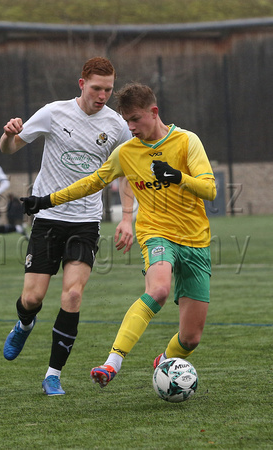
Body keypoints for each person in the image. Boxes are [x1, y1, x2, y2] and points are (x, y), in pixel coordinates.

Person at [20, 82, 217, 389]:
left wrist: (178, 177)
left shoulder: (187, 141)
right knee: (160, 290)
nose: (131, 127)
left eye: (136, 119)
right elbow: (91, 182)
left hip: (196, 240)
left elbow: (210, 189)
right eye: (126, 121)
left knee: (191, 338)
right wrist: (45, 201)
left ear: (154, 112)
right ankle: (113, 363)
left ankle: (164, 359)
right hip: (156, 234)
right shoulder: (126, 153)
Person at [0, 57, 134, 396]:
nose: (103, 95)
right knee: (32, 298)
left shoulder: (117, 126)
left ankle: (52, 375)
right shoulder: (53, 112)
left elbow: (127, 173)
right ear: (81, 84)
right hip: (47, 219)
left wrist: (128, 217)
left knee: (73, 294)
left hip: (87, 221)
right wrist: (7, 134)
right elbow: (10, 148)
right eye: (96, 88)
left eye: (108, 89)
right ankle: (25, 322)